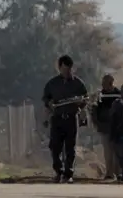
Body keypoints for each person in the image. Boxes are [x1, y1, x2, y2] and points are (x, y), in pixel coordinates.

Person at [42, 55, 88, 183]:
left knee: (70, 147)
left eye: (69, 69)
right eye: (64, 69)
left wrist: (80, 102)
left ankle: (69, 174)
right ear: (59, 67)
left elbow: (85, 99)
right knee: (55, 146)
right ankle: (58, 171)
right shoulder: (52, 83)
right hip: (57, 119)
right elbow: (46, 98)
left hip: (71, 119)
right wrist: (49, 103)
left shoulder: (78, 83)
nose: (67, 72)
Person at [92, 74, 121, 179]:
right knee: (108, 152)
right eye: (103, 83)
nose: (104, 85)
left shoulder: (119, 94)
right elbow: (94, 110)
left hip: (117, 128)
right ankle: (109, 173)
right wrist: (96, 123)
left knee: (117, 152)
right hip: (104, 127)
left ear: (112, 82)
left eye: (107, 82)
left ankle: (118, 173)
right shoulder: (100, 95)